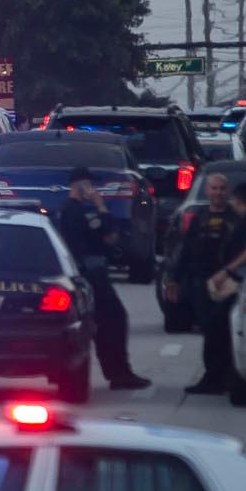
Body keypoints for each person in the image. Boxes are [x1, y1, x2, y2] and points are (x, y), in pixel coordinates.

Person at [54, 167, 150, 392]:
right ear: (80, 184)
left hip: (93, 272)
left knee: (111, 323)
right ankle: (119, 373)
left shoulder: (76, 210)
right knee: (113, 319)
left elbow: (110, 236)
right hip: (89, 275)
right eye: (90, 185)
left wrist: (100, 210)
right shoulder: (73, 211)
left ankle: (119, 372)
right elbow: (102, 235)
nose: (93, 189)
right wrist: (99, 204)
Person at [166, 170, 238, 395]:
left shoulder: (235, 218)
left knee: (224, 331)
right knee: (209, 330)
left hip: (227, 283)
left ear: (228, 191)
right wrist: (174, 280)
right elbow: (186, 250)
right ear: (206, 191)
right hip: (200, 283)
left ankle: (224, 376)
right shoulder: (199, 217)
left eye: (221, 189)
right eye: (213, 188)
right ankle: (212, 378)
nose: (217, 193)